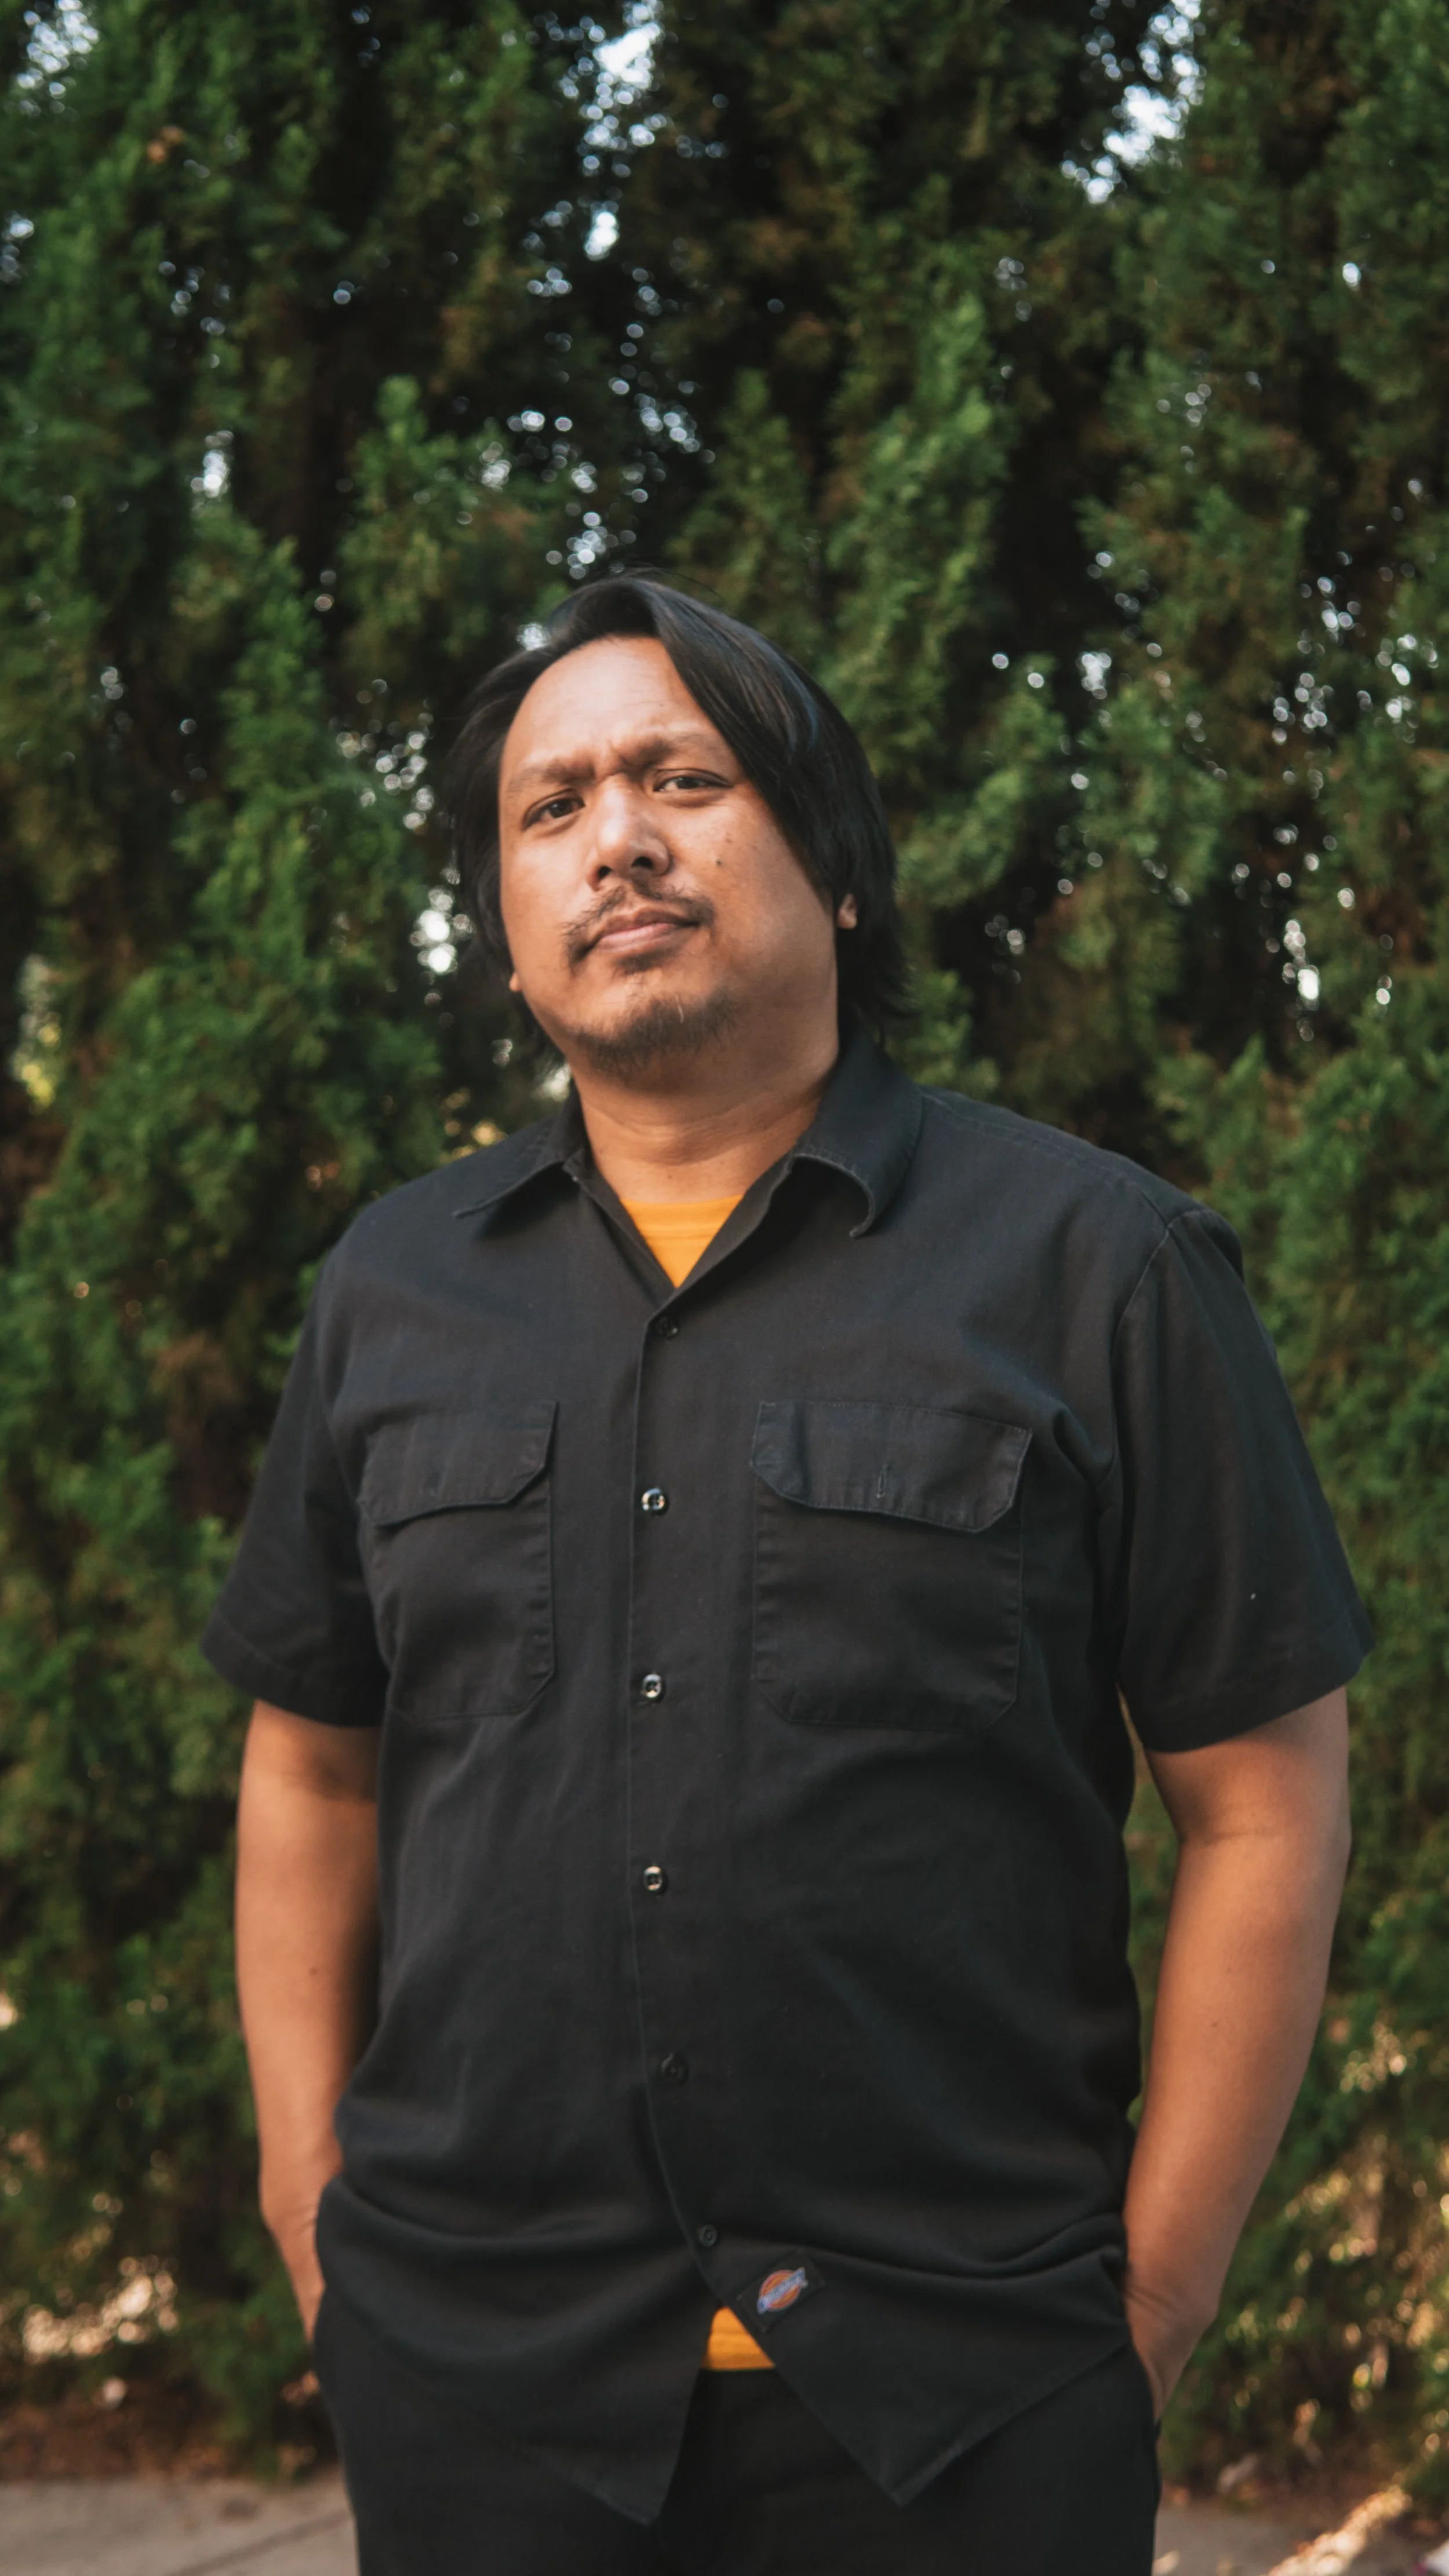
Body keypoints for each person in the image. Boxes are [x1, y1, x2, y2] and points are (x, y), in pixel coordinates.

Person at [210, 576, 1368, 2575]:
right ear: (504, 920)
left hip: (959, 2400)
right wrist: (315, 2225)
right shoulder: (392, 1291)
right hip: (481, 2393)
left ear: (832, 865)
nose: (619, 840)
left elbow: (1260, 1796)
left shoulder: (1098, 1267)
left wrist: (1148, 2313)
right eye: (550, 807)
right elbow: (309, 1770)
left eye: (683, 776)